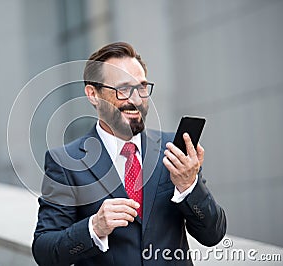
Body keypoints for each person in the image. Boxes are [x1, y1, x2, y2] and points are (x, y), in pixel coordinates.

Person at [32, 42, 226, 266]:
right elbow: (44, 251)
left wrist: (189, 186)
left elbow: (213, 235)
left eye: (142, 87)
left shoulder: (174, 152)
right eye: (123, 89)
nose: (135, 100)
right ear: (93, 94)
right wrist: (94, 227)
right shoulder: (65, 163)